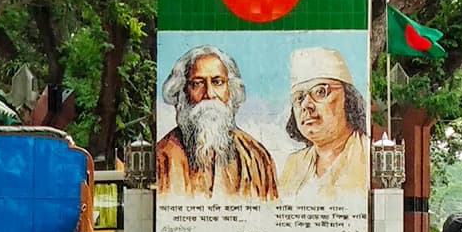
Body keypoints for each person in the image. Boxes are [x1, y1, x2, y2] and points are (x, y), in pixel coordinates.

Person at [156, 46, 279, 201]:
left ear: (231, 90)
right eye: (197, 83)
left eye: (217, 82)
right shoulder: (161, 158)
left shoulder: (256, 157)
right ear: (183, 92)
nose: (209, 93)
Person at [280, 48, 371, 199]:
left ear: (348, 98)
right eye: (299, 98)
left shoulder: (367, 155)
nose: (306, 105)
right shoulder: (293, 164)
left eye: (320, 92)